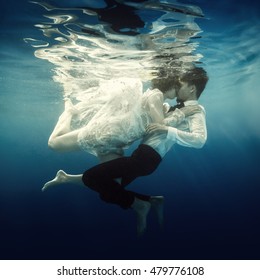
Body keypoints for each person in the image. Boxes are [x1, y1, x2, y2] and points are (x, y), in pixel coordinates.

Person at [43, 67, 208, 235]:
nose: (179, 88)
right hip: (136, 151)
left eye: (182, 84)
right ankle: (151, 201)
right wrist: (179, 113)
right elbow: (158, 120)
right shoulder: (163, 102)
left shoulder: (194, 110)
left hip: (145, 158)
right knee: (107, 192)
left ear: (192, 88)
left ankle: (141, 205)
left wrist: (175, 121)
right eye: (177, 84)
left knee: (92, 178)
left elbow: (198, 139)